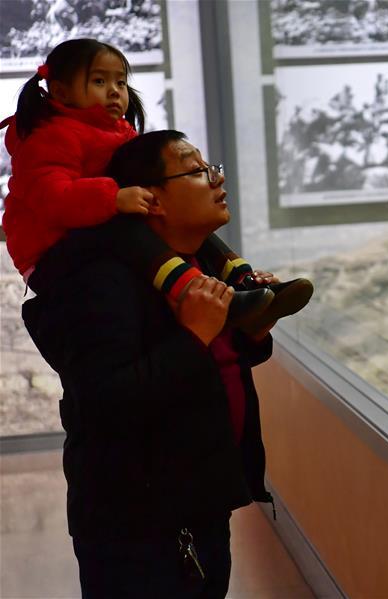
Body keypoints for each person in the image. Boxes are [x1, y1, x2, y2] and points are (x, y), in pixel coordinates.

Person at [22, 130, 280, 598]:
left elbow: (215, 364)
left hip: (200, 505)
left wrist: (250, 335)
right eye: (197, 170)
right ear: (150, 200)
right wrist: (195, 333)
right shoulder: (101, 284)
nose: (217, 179)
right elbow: (107, 401)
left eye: (210, 167)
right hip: (138, 527)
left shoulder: (194, 265)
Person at [0, 38, 311, 334]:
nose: (114, 92)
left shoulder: (116, 131)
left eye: (120, 82)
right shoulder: (49, 137)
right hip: (49, 252)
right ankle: (194, 292)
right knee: (129, 230)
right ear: (61, 92)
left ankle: (245, 281)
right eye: (99, 81)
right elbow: (51, 198)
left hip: (90, 231)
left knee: (184, 219)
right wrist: (114, 198)